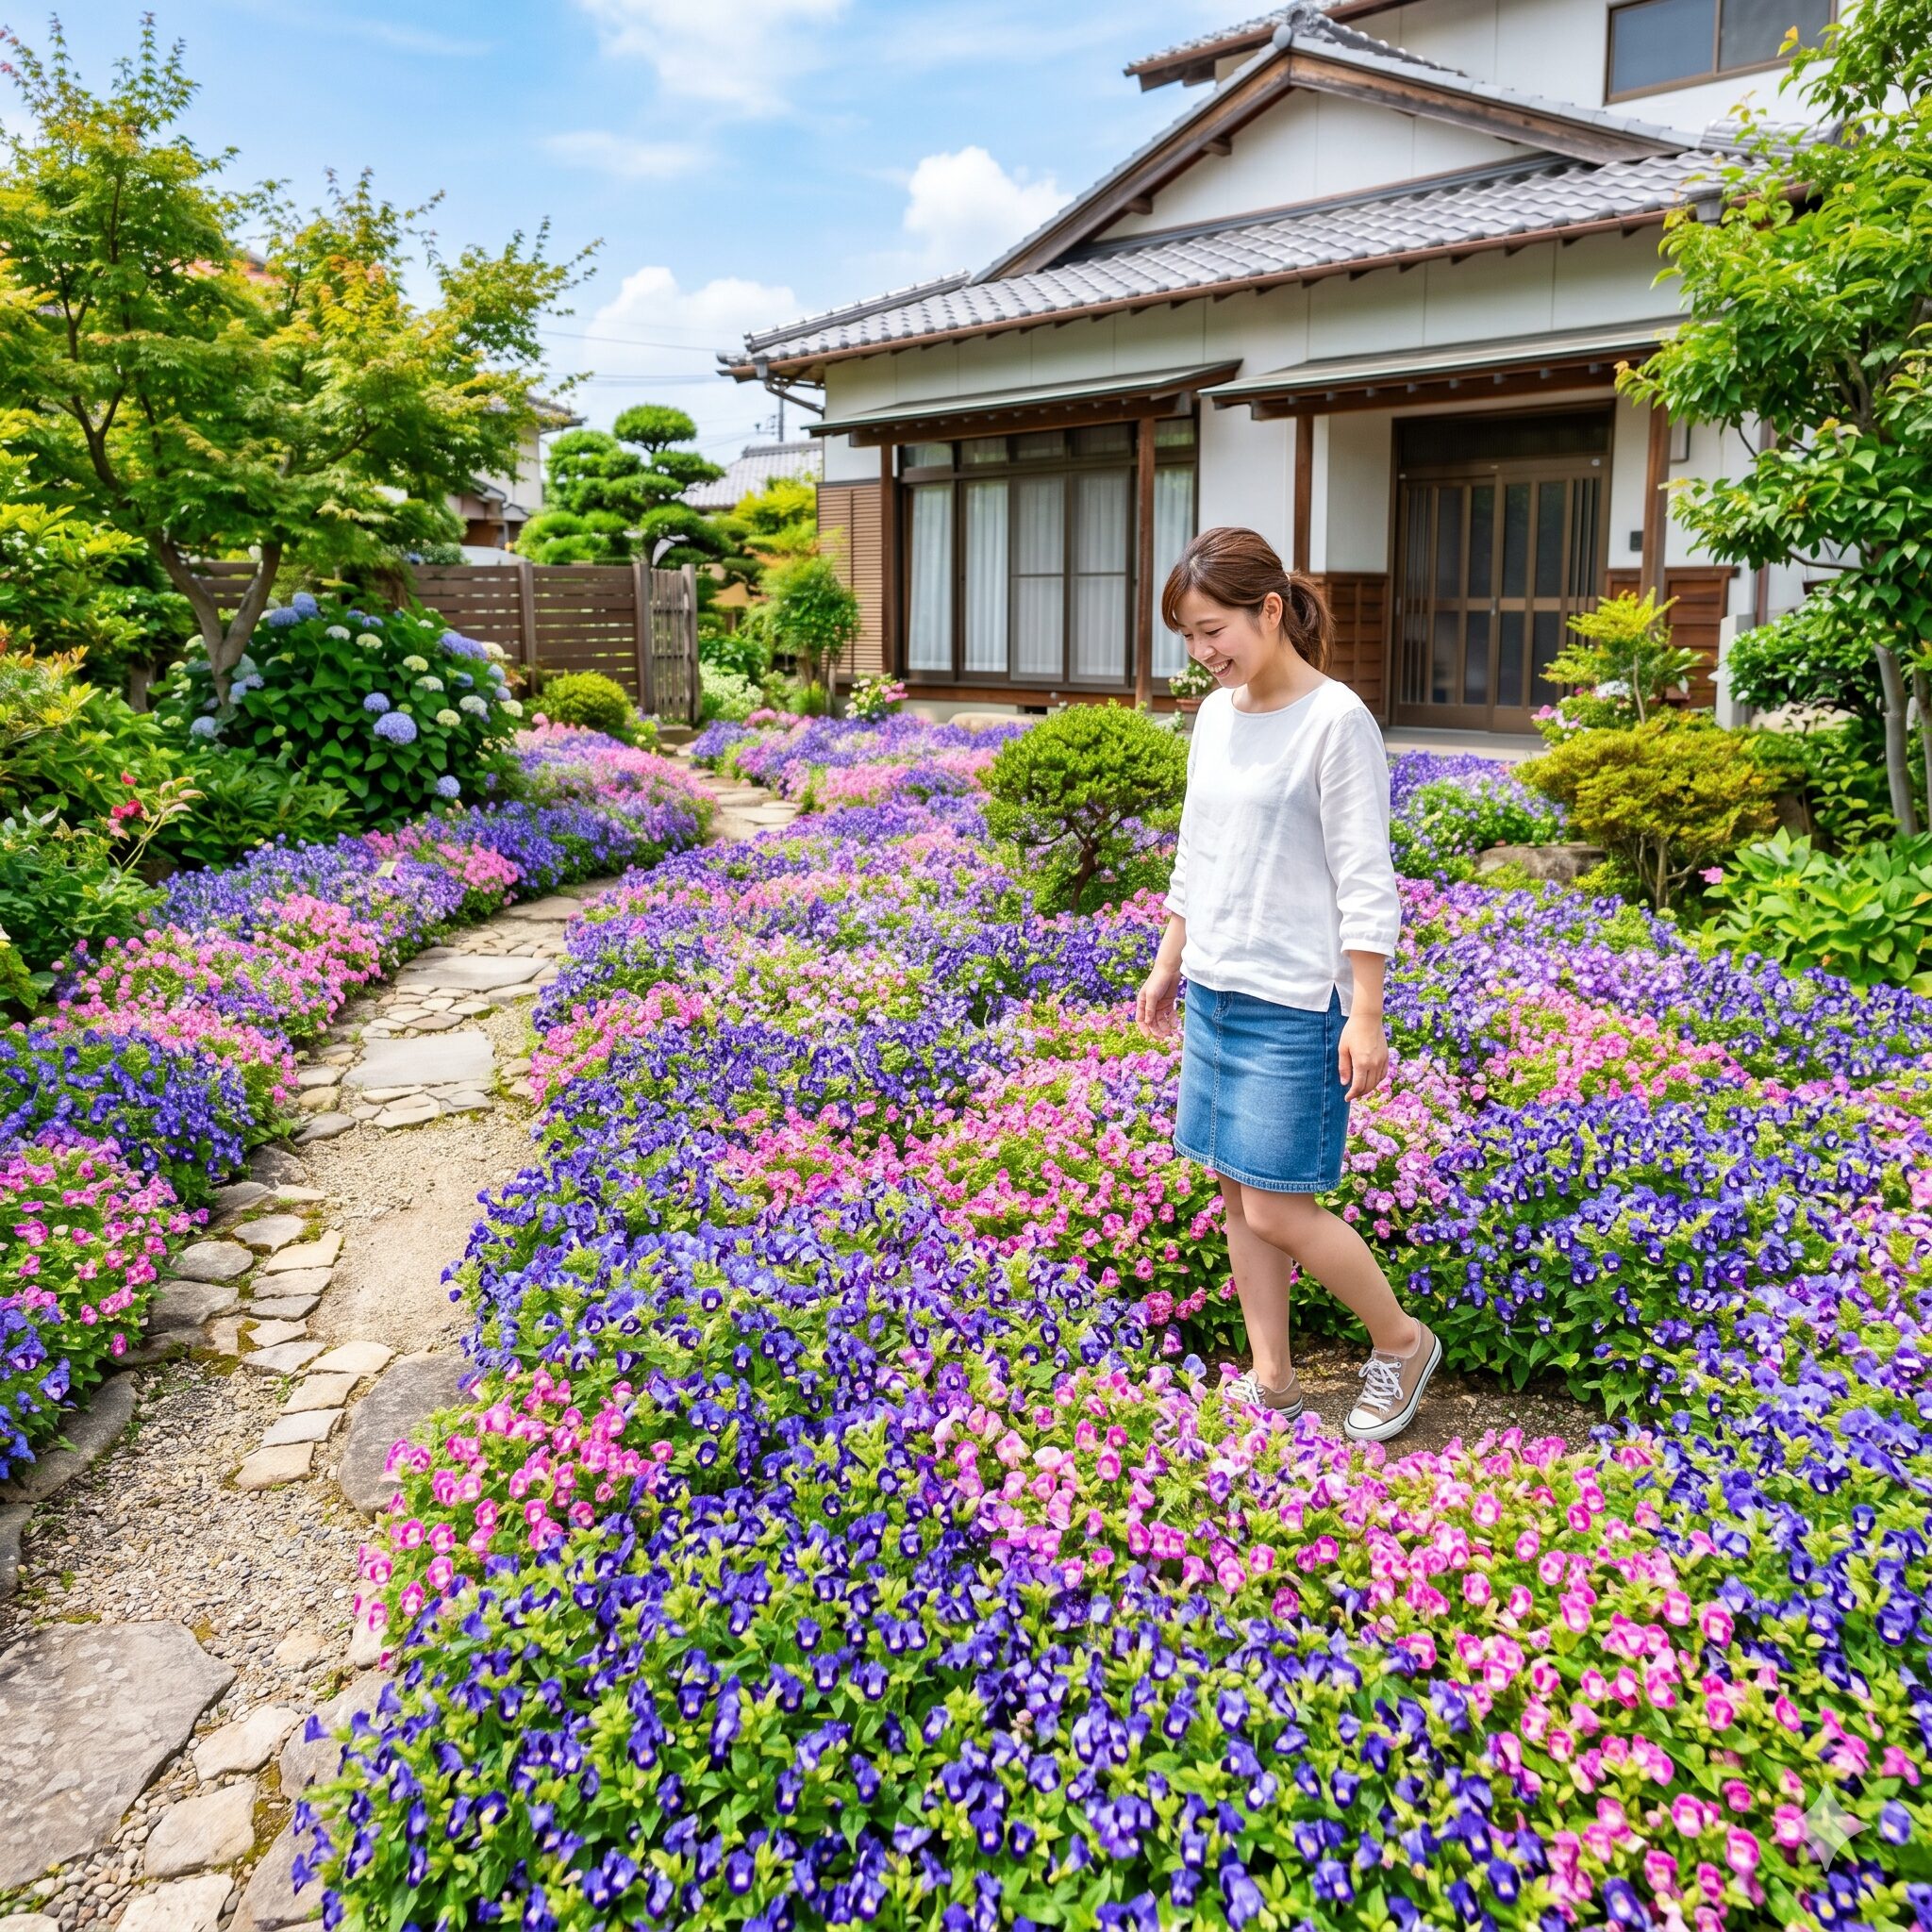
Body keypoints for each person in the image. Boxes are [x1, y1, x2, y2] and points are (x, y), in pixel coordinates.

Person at [1135, 525, 1441, 1443]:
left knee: (1275, 1200)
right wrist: (1166, 960)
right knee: (1234, 1194)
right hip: (1216, 991)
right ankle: (1271, 1383)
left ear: (1268, 610)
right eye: (1186, 637)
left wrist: (1367, 1012)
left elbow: (1364, 876)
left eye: (1210, 629)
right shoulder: (1214, 718)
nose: (1200, 654)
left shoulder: (1335, 720)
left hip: (1295, 1000)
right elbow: (1198, 854)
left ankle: (1400, 1339)